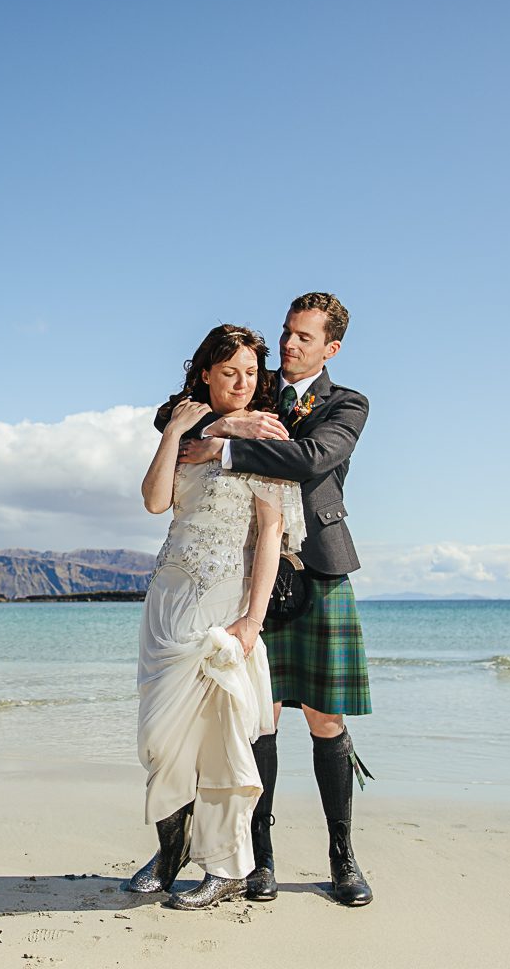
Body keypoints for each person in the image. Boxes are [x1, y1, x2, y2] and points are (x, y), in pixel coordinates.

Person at [176, 292, 375, 907]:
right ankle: (259, 860)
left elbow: (314, 458)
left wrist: (225, 447)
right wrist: (223, 424)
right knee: (260, 716)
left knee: (325, 719)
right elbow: (174, 414)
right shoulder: (250, 391)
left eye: (304, 338)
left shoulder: (347, 403)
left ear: (330, 348)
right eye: (286, 333)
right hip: (247, 575)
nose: (288, 346)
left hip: (316, 571)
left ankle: (342, 859)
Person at [128, 324, 303, 910]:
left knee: (222, 739)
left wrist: (253, 621)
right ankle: (170, 854)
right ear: (206, 372)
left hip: (224, 605)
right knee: (160, 739)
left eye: (253, 373)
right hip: (166, 603)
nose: (243, 383)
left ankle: (226, 867)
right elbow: (155, 501)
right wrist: (181, 427)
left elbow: (272, 534)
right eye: (230, 372)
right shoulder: (190, 429)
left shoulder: (266, 438)